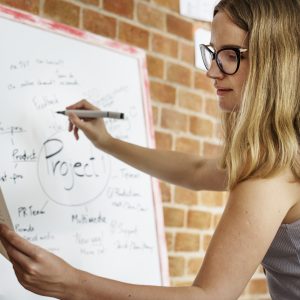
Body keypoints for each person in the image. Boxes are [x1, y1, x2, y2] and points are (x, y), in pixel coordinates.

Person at [0, 0, 299, 299]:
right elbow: (195, 171)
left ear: (274, 60)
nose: (211, 71)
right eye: (212, 53)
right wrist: (108, 142)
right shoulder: (284, 150)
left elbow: (209, 296)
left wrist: (73, 284)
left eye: (230, 55)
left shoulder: (271, 172)